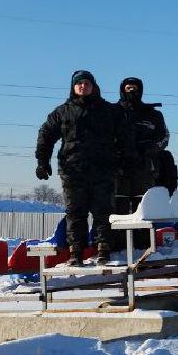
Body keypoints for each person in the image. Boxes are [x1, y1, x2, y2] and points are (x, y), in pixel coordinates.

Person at [35, 69, 136, 266]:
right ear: (73, 87)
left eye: (87, 83)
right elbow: (46, 135)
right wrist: (42, 161)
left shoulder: (108, 110)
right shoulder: (62, 112)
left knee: (103, 211)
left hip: (103, 169)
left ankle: (103, 250)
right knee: (75, 212)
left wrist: (126, 159)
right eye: (79, 83)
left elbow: (125, 135)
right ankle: (76, 252)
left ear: (93, 86)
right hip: (73, 170)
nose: (83, 86)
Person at [114, 76, 170, 242]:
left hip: (145, 169)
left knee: (144, 209)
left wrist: (150, 148)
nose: (131, 91)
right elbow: (101, 138)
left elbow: (165, 138)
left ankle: (144, 245)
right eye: (128, 88)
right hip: (119, 169)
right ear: (122, 90)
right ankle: (118, 246)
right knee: (118, 210)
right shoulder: (112, 112)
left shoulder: (153, 115)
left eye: (135, 88)